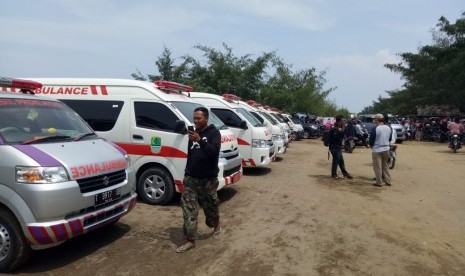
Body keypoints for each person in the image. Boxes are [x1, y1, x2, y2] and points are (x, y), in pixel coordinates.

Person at [176, 107, 222, 253]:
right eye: (194, 118)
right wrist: (187, 173)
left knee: (211, 208)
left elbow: (213, 152)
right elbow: (192, 155)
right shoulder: (193, 134)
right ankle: (190, 240)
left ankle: (216, 225)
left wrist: (200, 140)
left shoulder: (214, 133)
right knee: (189, 210)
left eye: (198, 118)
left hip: (208, 180)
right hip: (191, 179)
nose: (195, 121)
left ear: (206, 119)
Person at [369, 113, 392, 187]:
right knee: (385, 166)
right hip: (386, 148)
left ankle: (379, 182)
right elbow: (390, 139)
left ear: (377, 119)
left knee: (377, 167)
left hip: (377, 149)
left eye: (375, 119)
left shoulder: (375, 128)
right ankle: (388, 181)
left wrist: (371, 146)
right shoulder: (388, 128)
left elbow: (371, 140)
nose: (374, 120)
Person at [328, 115, 353, 180]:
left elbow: (342, 137)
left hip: (338, 147)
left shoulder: (339, 128)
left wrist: (343, 130)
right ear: (339, 121)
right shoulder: (335, 129)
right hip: (335, 148)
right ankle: (334, 174)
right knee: (336, 161)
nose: (344, 122)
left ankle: (345, 173)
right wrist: (342, 131)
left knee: (341, 161)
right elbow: (338, 138)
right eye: (343, 121)